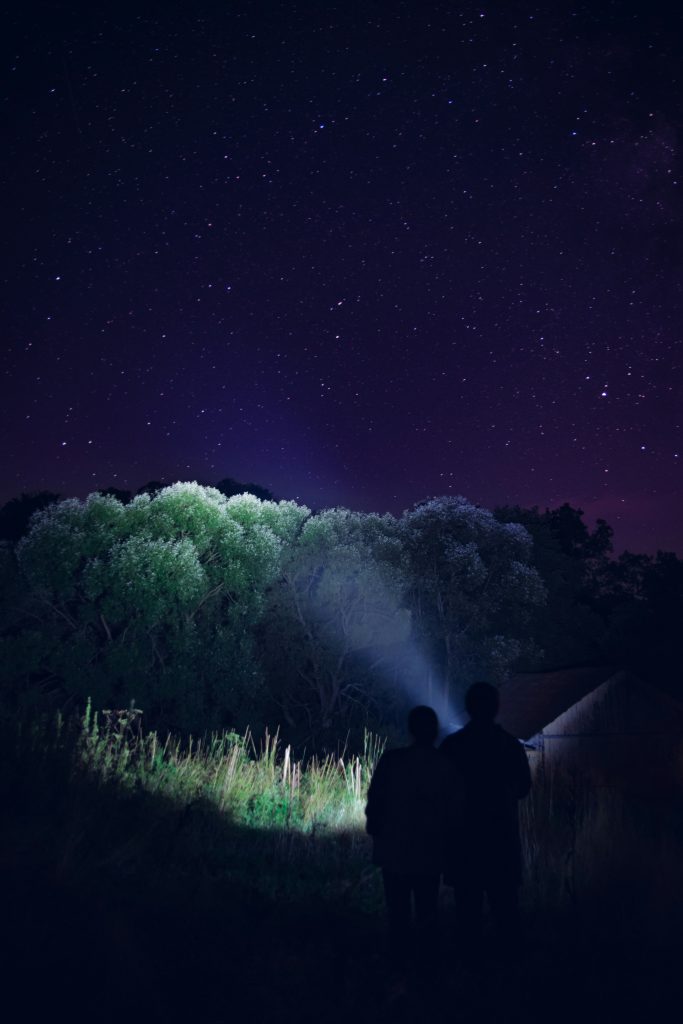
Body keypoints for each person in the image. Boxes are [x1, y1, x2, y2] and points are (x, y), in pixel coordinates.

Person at [365, 705, 461, 973]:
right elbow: (455, 811)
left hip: (394, 853)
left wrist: (378, 834)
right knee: (427, 911)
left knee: (398, 915)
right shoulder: (444, 766)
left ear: (411, 729)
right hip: (429, 855)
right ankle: (426, 970)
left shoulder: (392, 761)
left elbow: (374, 805)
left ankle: (398, 967)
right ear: (434, 731)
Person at [440, 682, 531, 959]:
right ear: (496, 708)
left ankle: (471, 977)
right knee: (506, 913)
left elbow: (441, 792)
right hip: (501, 842)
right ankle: (508, 979)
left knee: (468, 915)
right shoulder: (510, 745)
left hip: (465, 843)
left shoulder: (453, 746)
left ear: (467, 708)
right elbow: (524, 788)